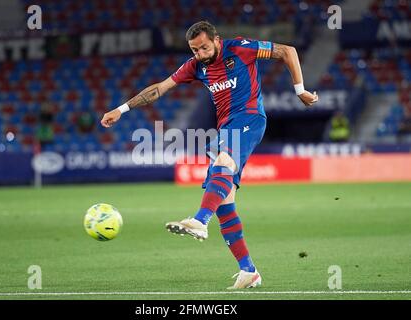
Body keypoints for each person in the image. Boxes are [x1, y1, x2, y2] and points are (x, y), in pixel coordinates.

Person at [101, 21, 318, 289]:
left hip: (250, 118)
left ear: (216, 40)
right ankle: (248, 271)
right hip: (226, 127)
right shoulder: (195, 66)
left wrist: (300, 90)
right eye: (194, 50)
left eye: (204, 47)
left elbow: (288, 51)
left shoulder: (240, 48)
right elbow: (159, 88)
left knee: (221, 160)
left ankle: (200, 220)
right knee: (225, 201)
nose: (200, 54)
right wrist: (121, 110)